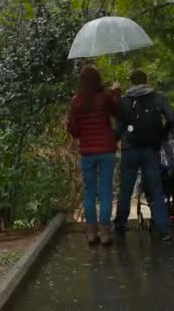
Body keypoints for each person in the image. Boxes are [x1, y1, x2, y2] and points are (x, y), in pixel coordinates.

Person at [114, 70, 174, 240]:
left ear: (131, 82)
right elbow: (172, 118)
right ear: (146, 80)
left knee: (126, 190)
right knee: (156, 190)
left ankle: (120, 226)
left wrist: (116, 139)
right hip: (151, 149)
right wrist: (163, 134)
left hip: (129, 150)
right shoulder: (158, 97)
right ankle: (163, 229)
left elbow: (118, 128)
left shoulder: (125, 102)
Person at [67, 66, 121, 245]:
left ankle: (91, 232)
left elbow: (74, 131)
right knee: (106, 191)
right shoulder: (105, 98)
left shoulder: (76, 102)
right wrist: (116, 92)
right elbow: (118, 112)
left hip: (88, 152)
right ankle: (105, 233)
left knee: (90, 192)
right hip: (106, 150)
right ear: (98, 80)